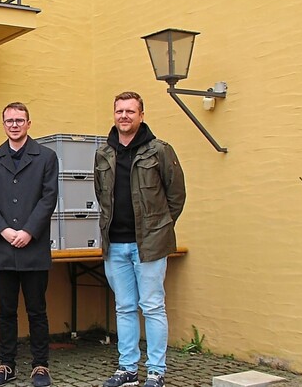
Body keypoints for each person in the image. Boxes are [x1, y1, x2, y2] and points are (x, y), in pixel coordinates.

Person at [94, 92, 186, 387]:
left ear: (141, 115)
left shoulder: (159, 149)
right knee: (124, 306)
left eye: (130, 111)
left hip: (149, 245)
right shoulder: (103, 153)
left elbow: (176, 195)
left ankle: (156, 371)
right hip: (115, 245)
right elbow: (101, 195)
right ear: (114, 114)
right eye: (119, 110)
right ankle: (127, 369)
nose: (124, 116)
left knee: (153, 306)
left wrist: (159, 228)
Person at [0, 102, 59, 387]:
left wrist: (28, 231)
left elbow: (49, 198)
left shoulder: (46, 157)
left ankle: (40, 366)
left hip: (33, 246)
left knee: (37, 309)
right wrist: (3, 230)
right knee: (6, 310)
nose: (14, 125)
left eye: (19, 120)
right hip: (3, 247)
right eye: (9, 120)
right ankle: (6, 365)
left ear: (28, 123)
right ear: (3, 124)